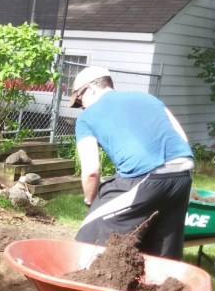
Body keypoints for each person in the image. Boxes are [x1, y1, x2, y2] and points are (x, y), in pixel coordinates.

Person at [69, 66, 194, 259]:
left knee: (90, 237)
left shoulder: (87, 117)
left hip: (146, 176)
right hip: (182, 175)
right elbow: (182, 137)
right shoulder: (148, 99)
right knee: (162, 250)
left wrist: (90, 200)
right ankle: (163, 286)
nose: (81, 106)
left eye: (79, 99)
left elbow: (91, 170)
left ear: (91, 89)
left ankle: (84, 285)